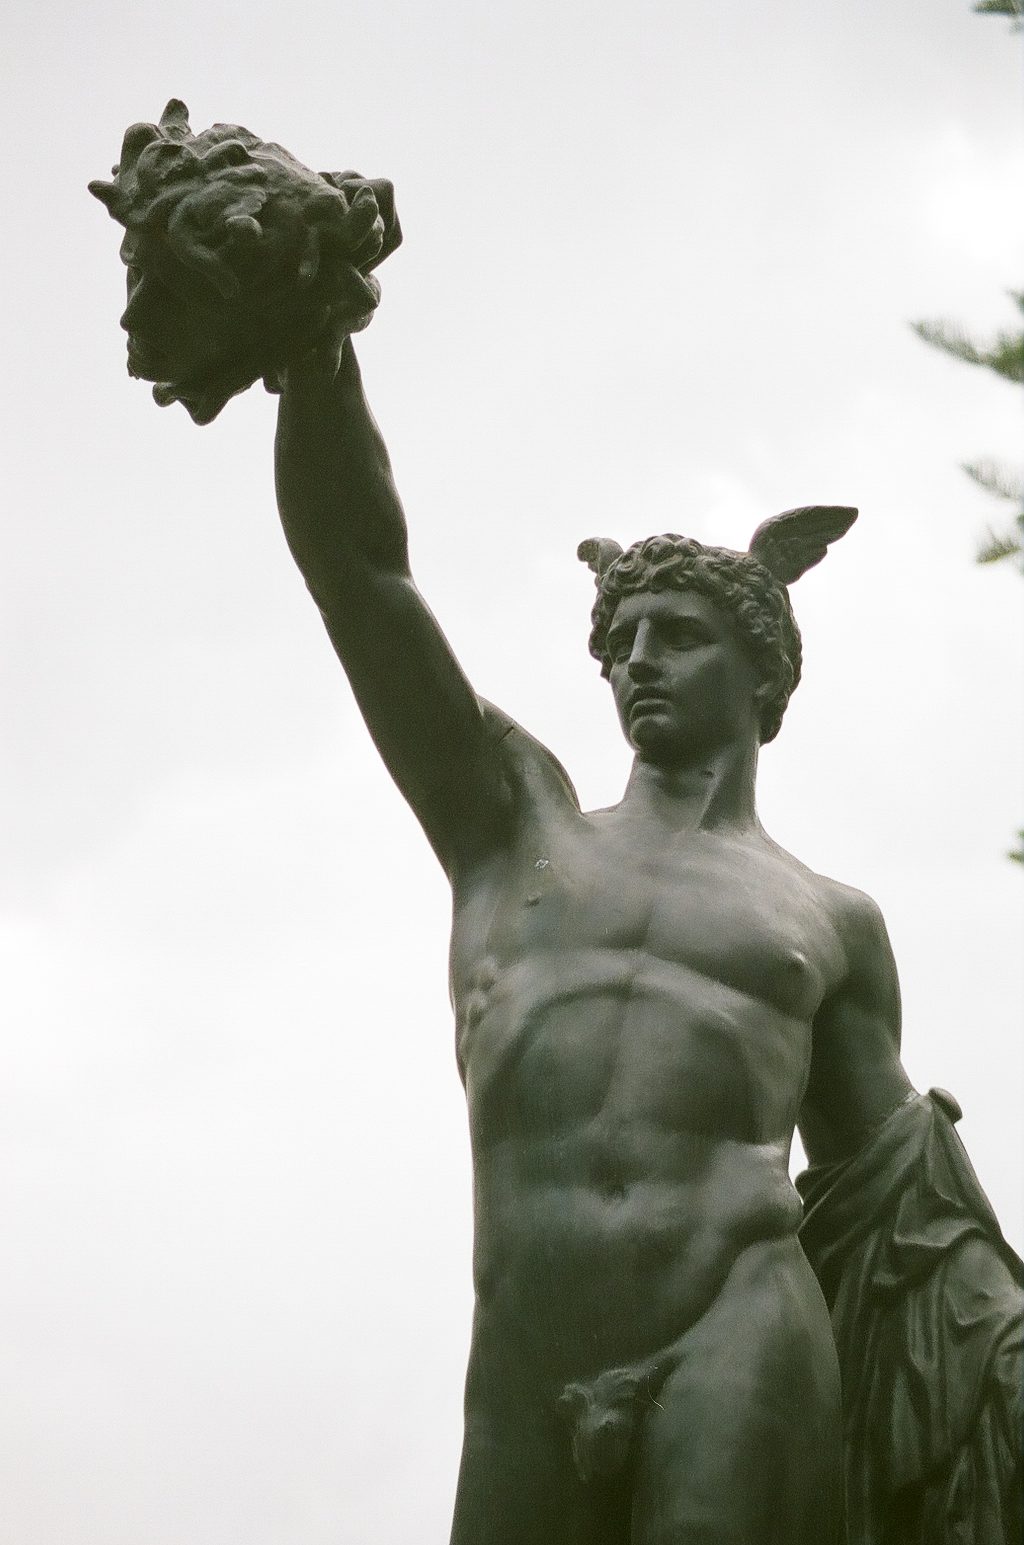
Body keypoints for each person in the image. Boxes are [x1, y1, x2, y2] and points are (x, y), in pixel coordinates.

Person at [273, 337, 928, 1545]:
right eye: (621, 640)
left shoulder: (826, 921)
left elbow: (902, 1207)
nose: (636, 660)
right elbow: (360, 578)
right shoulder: (508, 825)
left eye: (677, 634)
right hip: (524, 1350)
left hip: (738, 1326)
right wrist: (317, 351)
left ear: (763, 673)